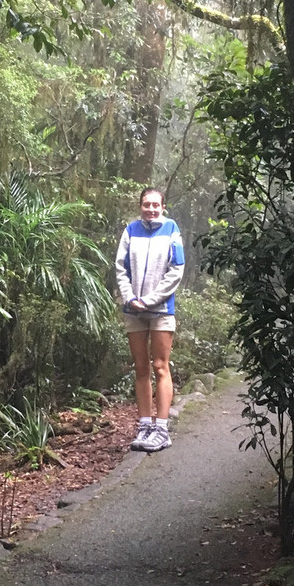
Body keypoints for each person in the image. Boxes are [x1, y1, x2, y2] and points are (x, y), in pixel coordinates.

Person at [115, 187, 185, 452]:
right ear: (140, 206)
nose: (151, 209)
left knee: (160, 366)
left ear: (163, 207)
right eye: (147, 204)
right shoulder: (131, 230)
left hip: (161, 309)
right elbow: (121, 268)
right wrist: (130, 297)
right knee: (141, 367)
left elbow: (176, 269)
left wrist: (151, 299)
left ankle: (161, 429)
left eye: (156, 205)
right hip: (133, 309)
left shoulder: (171, 229)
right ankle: (145, 425)